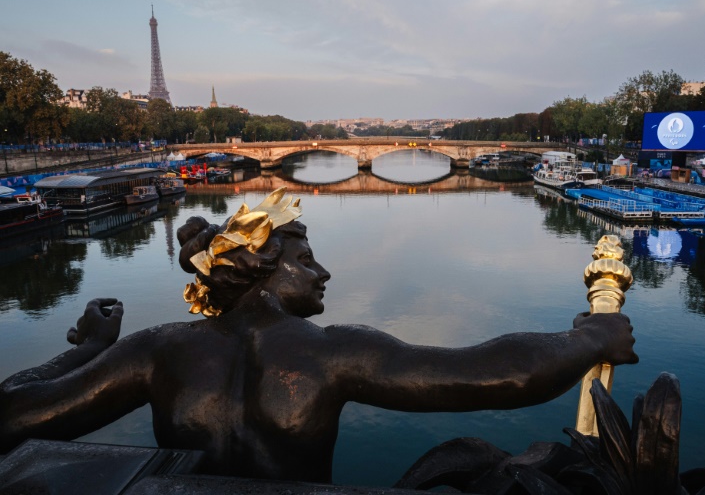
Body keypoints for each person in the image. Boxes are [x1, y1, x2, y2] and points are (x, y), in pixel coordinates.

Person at [0, 188, 638, 484]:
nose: (323, 271)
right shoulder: (331, 351)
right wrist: (590, 336)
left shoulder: (157, 348)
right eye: (306, 259)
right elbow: (492, 375)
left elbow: (18, 415)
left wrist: (88, 350)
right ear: (263, 268)